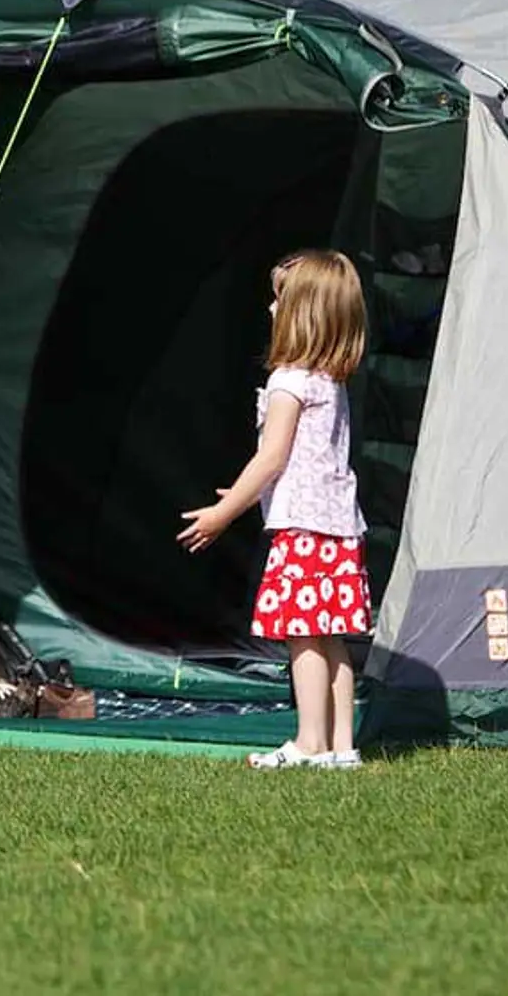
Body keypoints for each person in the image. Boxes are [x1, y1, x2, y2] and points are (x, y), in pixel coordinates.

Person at [177, 249, 371, 770]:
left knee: (302, 634)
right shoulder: (330, 381)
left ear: (300, 313)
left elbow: (270, 459)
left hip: (302, 528)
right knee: (332, 637)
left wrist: (226, 512)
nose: (269, 307)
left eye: (279, 298)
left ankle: (309, 742)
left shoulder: (289, 382)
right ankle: (342, 745)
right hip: (338, 525)